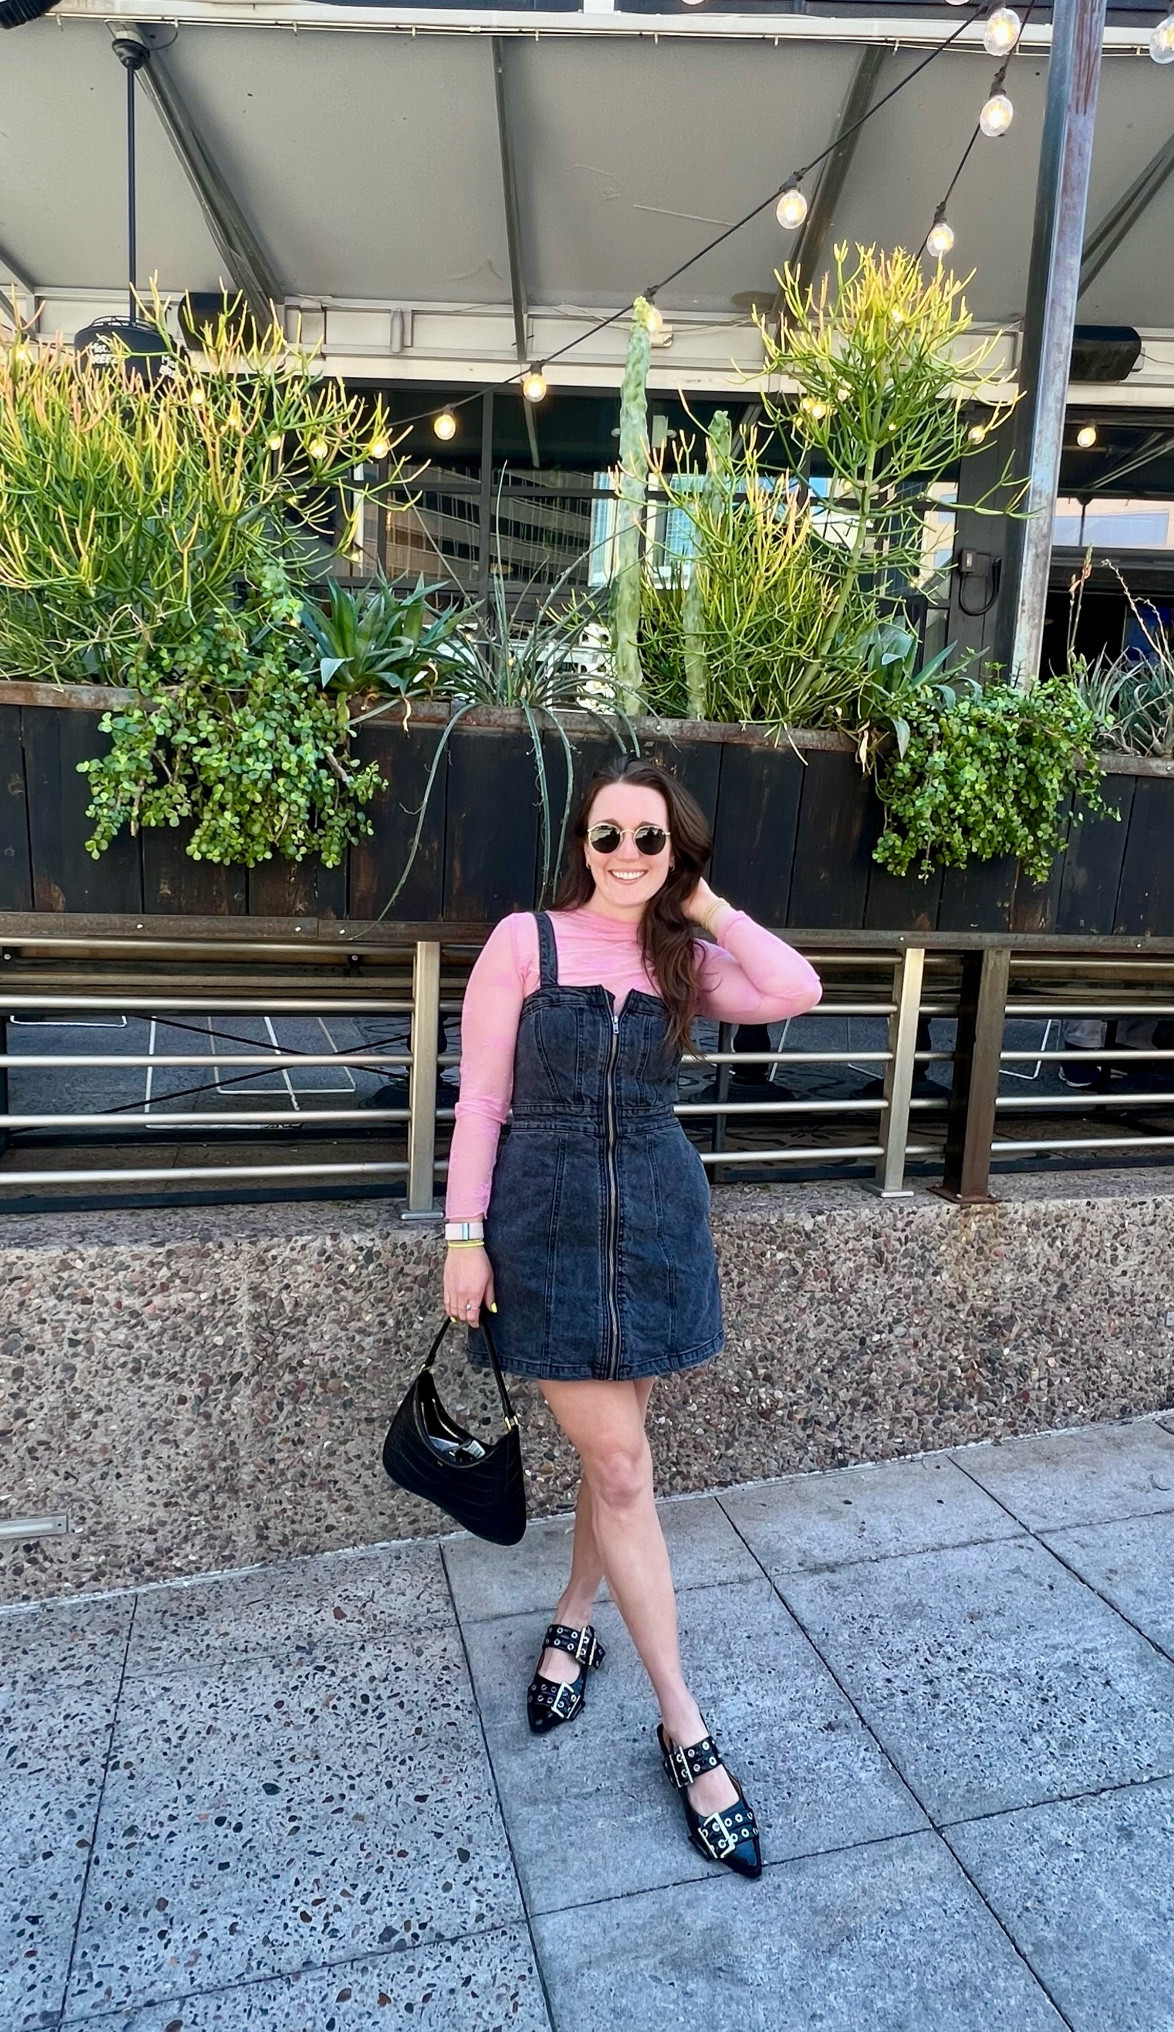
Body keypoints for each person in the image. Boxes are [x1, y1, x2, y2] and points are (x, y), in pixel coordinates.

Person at [442, 756, 823, 1879]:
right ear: (582, 842)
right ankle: (684, 1722)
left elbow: (796, 987)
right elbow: (484, 1100)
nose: (625, 856)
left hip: (656, 1216)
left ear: (676, 851)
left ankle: (574, 1611)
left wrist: (701, 905)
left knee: (622, 1464)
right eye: (608, 836)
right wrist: (464, 1237)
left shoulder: (682, 956)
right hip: (545, 1224)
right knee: (617, 1467)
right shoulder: (525, 941)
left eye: (650, 840)